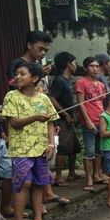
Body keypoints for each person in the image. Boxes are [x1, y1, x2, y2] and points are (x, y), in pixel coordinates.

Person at [2, 62, 61, 220]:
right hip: (21, 150)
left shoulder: (44, 99)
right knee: (23, 184)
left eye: (22, 73)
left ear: (34, 78)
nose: (17, 77)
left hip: (40, 149)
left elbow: (50, 122)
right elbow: (14, 123)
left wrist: (51, 144)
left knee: (38, 184)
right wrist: (35, 117)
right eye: (17, 73)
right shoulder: (12, 96)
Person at [47, 51, 82, 185]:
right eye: (74, 62)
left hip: (70, 118)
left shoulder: (67, 80)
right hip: (62, 119)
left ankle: (72, 173)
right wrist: (65, 114)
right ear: (68, 64)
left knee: (73, 146)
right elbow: (51, 97)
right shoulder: (59, 80)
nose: (75, 65)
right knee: (62, 147)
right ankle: (58, 177)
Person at [75, 56, 109, 192]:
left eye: (96, 66)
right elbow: (81, 103)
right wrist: (88, 120)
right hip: (89, 121)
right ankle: (89, 178)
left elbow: (103, 103)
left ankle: (97, 174)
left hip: (101, 120)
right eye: (91, 66)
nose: (95, 69)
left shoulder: (101, 84)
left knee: (99, 150)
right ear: (86, 68)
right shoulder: (81, 82)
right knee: (89, 151)